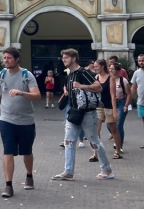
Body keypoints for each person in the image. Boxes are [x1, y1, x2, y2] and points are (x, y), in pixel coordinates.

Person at [0, 47, 40, 198]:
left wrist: (21, 92)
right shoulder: (1, 75)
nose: (5, 60)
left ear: (17, 59)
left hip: (26, 120)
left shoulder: (27, 75)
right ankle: (8, 185)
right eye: (4, 58)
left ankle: (29, 175)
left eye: (9, 58)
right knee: (8, 151)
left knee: (26, 151)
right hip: (6, 120)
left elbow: (37, 96)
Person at [51, 50, 112, 182]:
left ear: (73, 58)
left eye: (65, 58)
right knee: (69, 141)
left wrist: (81, 86)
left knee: (94, 141)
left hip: (88, 113)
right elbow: (69, 88)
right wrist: (66, 91)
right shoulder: (69, 75)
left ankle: (107, 169)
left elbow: (98, 87)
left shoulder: (84, 73)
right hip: (74, 112)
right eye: (62, 57)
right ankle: (68, 171)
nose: (63, 60)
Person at [93, 59, 121, 160]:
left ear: (102, 66)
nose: (95, 68)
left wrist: (114, 111)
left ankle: (118, 151)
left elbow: (113, 95)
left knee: (113, 129)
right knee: (96, 130)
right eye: (94, 66)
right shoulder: (96, 77)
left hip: (109, 105)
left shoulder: (111, 78)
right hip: (98, 106)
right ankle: (96, 153)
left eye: (96, 66)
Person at [108, 56, 130, 148]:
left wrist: (126, 105)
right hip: (111, 103)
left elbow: (129, 94)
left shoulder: (123, 80)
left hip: (121, 102)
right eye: (110, 68)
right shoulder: (109, 79)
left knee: (119, 124)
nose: (111, 70)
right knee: (109, 125)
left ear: (118, 70)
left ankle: (119, 146)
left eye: (113, 69)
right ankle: (114, 134)